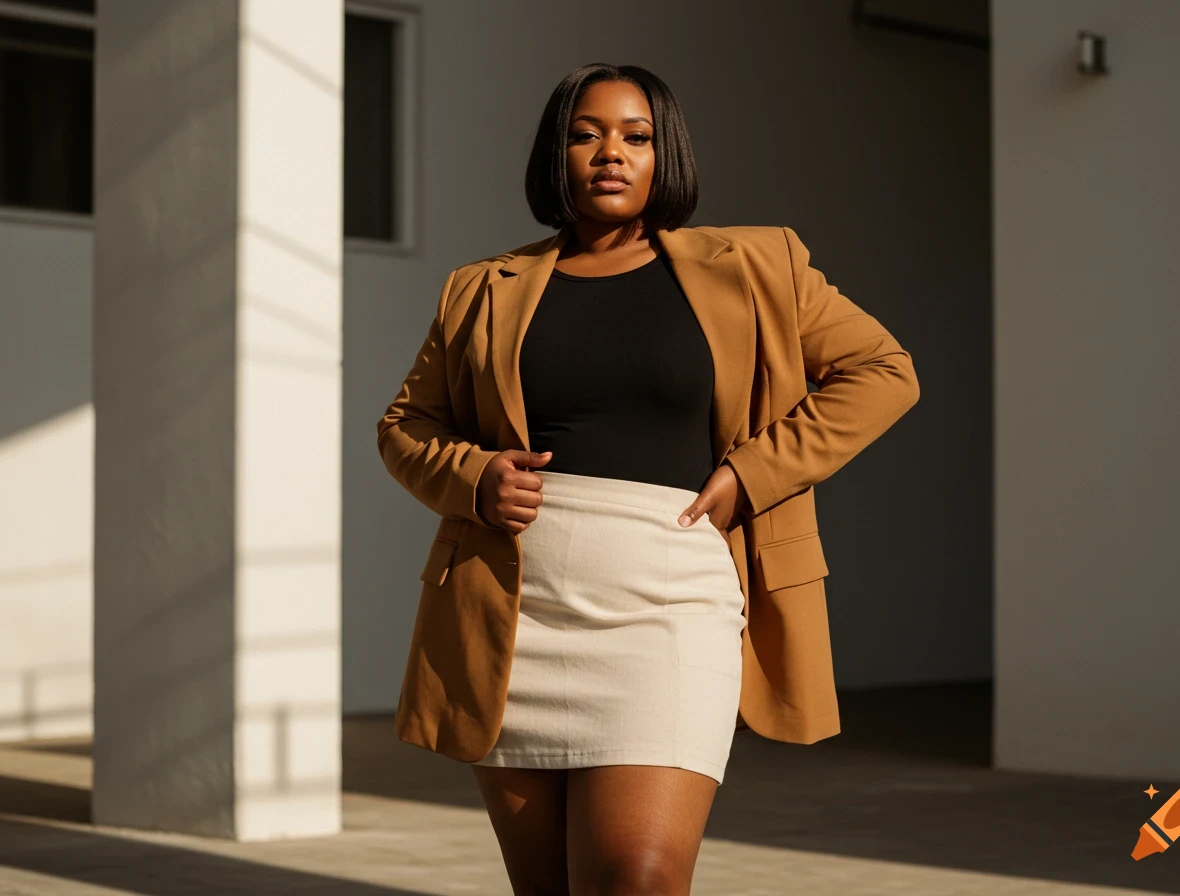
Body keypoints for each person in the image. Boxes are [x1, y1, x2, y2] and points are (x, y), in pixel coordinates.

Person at [376, 62, 920, 896]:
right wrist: (475, 475)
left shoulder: (757, 264)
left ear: (667, 153)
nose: (610, 153)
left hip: (671, 603)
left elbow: (882, 370)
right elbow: (404, 426)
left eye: (636, 136)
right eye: (586, 133)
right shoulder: (482, 289)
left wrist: (753, 472)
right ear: (555, 154)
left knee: (639, 875)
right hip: (514, 611)